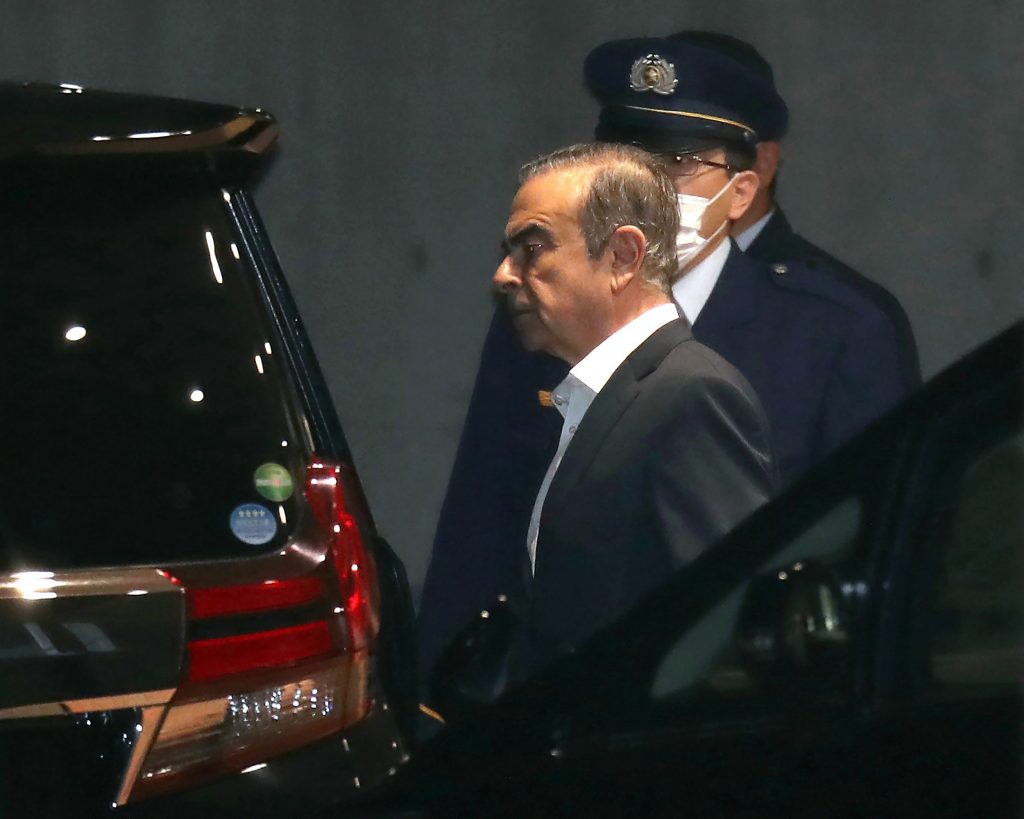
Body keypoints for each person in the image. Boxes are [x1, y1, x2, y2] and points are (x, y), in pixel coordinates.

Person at [417, 33, 916, 683]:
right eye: (628, 156)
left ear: (743, 188)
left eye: (676, 161)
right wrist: (436, 705)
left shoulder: (836, 328)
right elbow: (482, 524)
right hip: (548, 709)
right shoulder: (543, 305)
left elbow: (870, 553)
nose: (646, 185)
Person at [493, 142, 774, 667]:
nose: (504, 275)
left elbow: (727, 627)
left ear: (623, 257)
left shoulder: (689, 395)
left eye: (532, 248)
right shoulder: (596, 396)